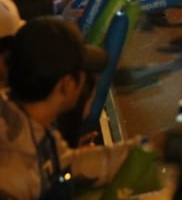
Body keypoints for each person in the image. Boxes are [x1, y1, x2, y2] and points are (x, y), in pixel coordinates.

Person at [0, 17, 145, 199]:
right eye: (82, 72)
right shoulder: (17, 169)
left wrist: (154, 147)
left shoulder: (26, 124)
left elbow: (69, 163)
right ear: (67, 84)